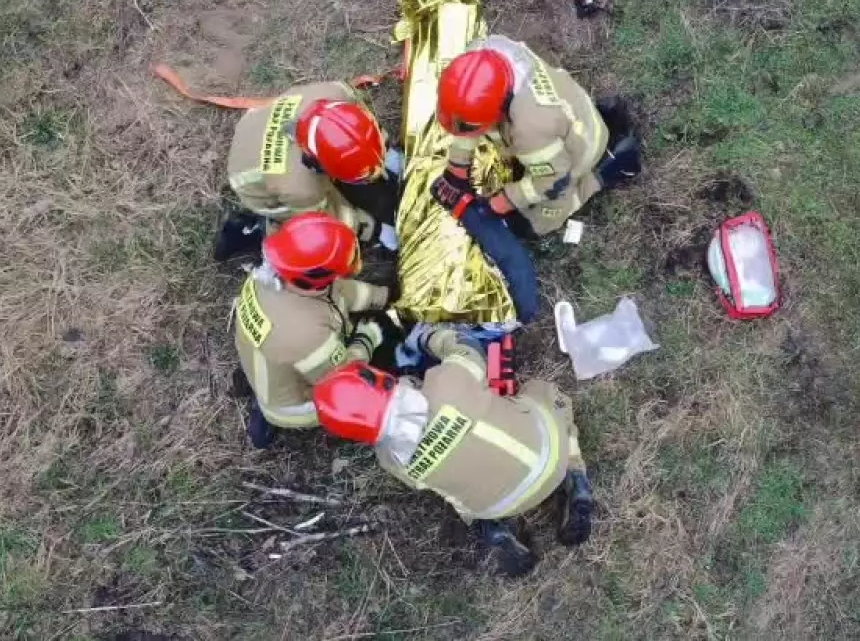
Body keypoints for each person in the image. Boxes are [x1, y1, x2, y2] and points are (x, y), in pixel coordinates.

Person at [312, 328, 595, 577]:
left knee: (452, 488)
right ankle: (576, 477)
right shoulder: (446, 385)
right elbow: (468, 348)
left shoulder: (391, 459)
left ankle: (492, 528)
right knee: (543, 392)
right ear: (379, 380)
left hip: (497, 505)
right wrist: (427, 337)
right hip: (551, 456)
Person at [428, 36, 641, 237]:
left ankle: (607, 169)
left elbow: (553, 179)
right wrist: (457, 167)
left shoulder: (530, 127)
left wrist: (503, 202)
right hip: (567, 112)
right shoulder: (480, 57)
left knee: (536, 219)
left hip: (578, 150)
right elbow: (467, 115)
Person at [233, 212, 395, 449]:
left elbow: (338, 291)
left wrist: (383, 297)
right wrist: (368, 337)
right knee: (364, 392)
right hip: (292, 406)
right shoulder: (306, 333)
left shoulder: (271, 275)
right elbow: (343, 378)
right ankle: (274, 415)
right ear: (318, 278)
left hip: (269, 362)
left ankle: (270, 392)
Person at [216, 81, 401, 261]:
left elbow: (361, 124)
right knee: (315, 232)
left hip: (256, 122)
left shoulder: (337, 93)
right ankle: (258, 229)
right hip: (250, 178)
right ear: (315, 163)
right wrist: (375, 229)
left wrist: (388, 154)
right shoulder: (300, 189)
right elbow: (332, 219)